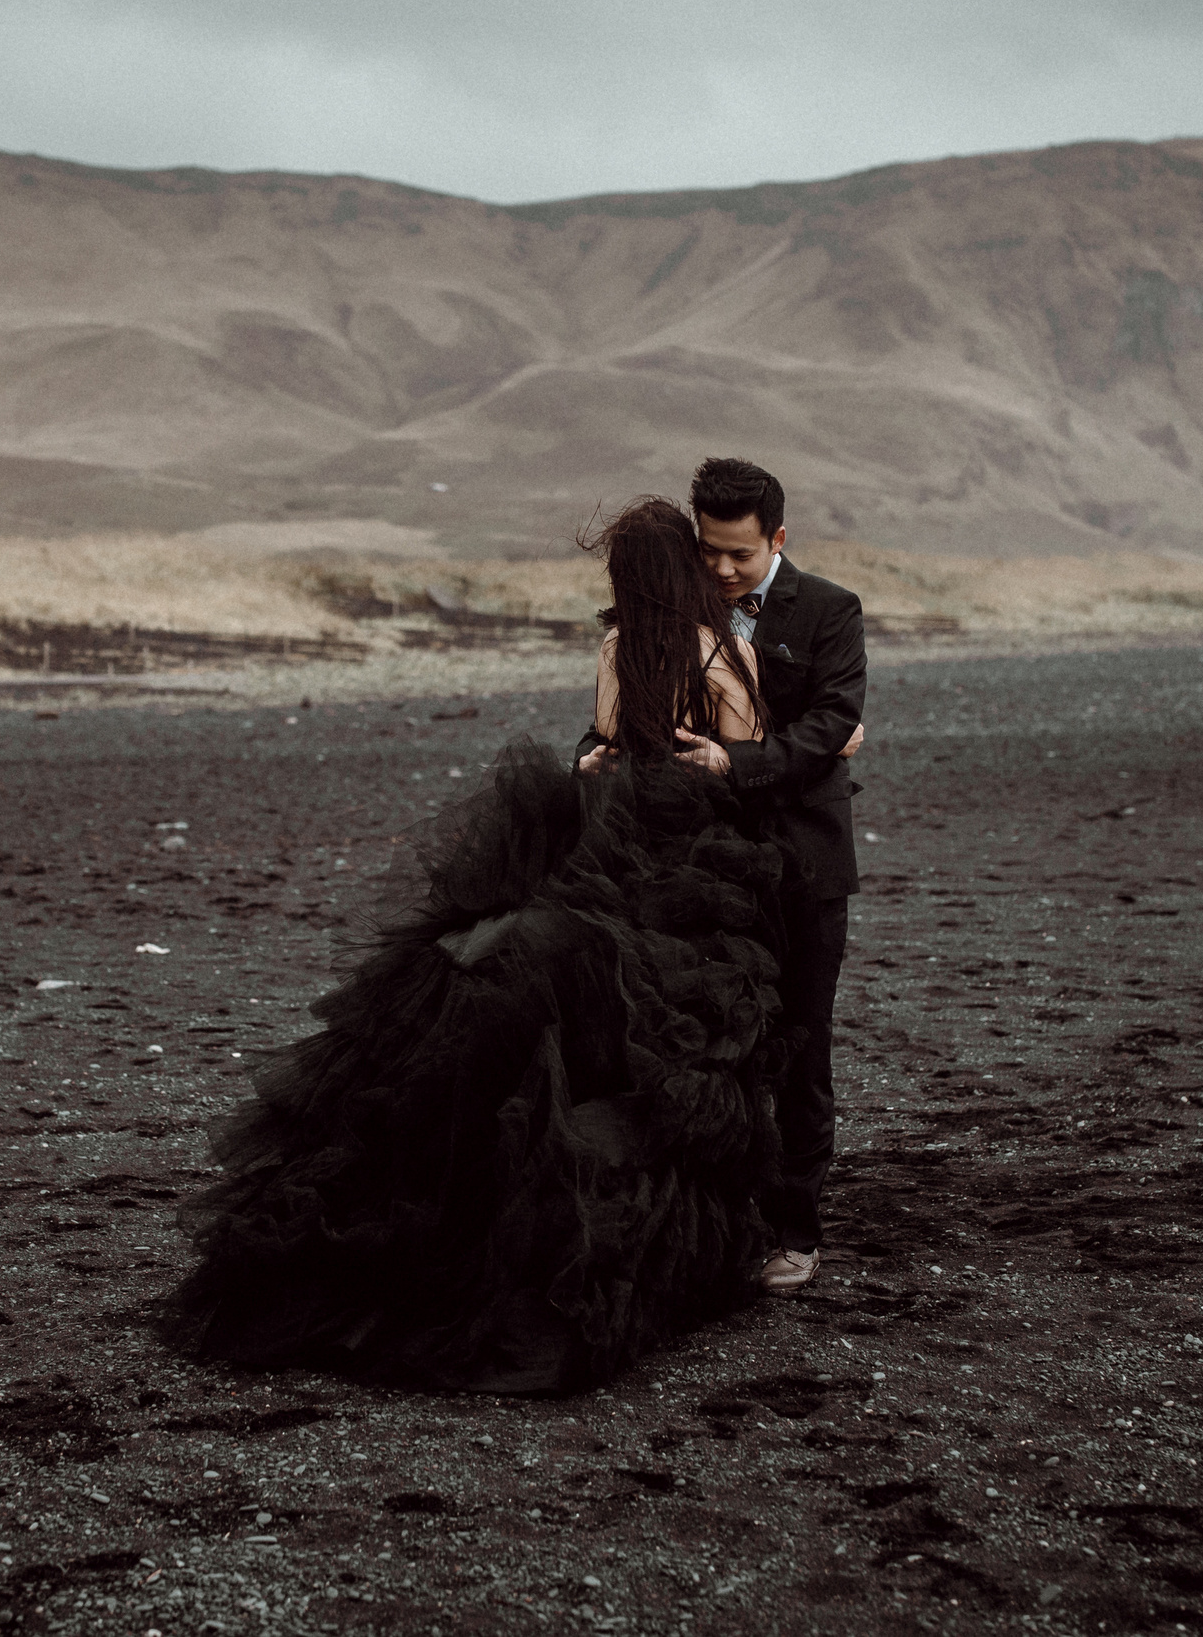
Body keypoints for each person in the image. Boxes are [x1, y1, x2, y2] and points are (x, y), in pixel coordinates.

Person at [162, 498, 794, 1393]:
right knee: (688, 1052)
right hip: (697, 865)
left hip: (614, 849)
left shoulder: (619, 651)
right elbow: (750, 762)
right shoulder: (725, 654)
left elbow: (606, 748)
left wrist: (608, 771)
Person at [579, 457, 865, 1295]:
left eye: (741, 554)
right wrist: (592, 756)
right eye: (710, 552)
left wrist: (734, 761)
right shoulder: (671, 617)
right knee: (708, 1051)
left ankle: (796, 1232)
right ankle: (715, 1226)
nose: (725, 569)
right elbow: (621, 716)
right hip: (700, 872)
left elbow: (829, 725)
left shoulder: (830, 612)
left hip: (803, 867)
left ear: (777, 538)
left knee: (801, 1048)